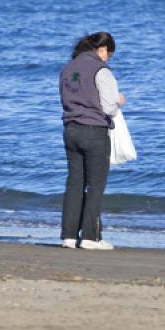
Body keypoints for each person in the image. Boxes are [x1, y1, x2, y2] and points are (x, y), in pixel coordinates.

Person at [59, 32, 125, 250]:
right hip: (94, 131)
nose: (108, 59)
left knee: (74, 183)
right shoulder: (101, 70)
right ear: (103, 49)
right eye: (109, 54)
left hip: (70, 130)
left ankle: (69, 236)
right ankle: (91, 236)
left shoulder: (68, 69)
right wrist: (119, 102)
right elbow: (108, 107)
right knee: (96, 185)